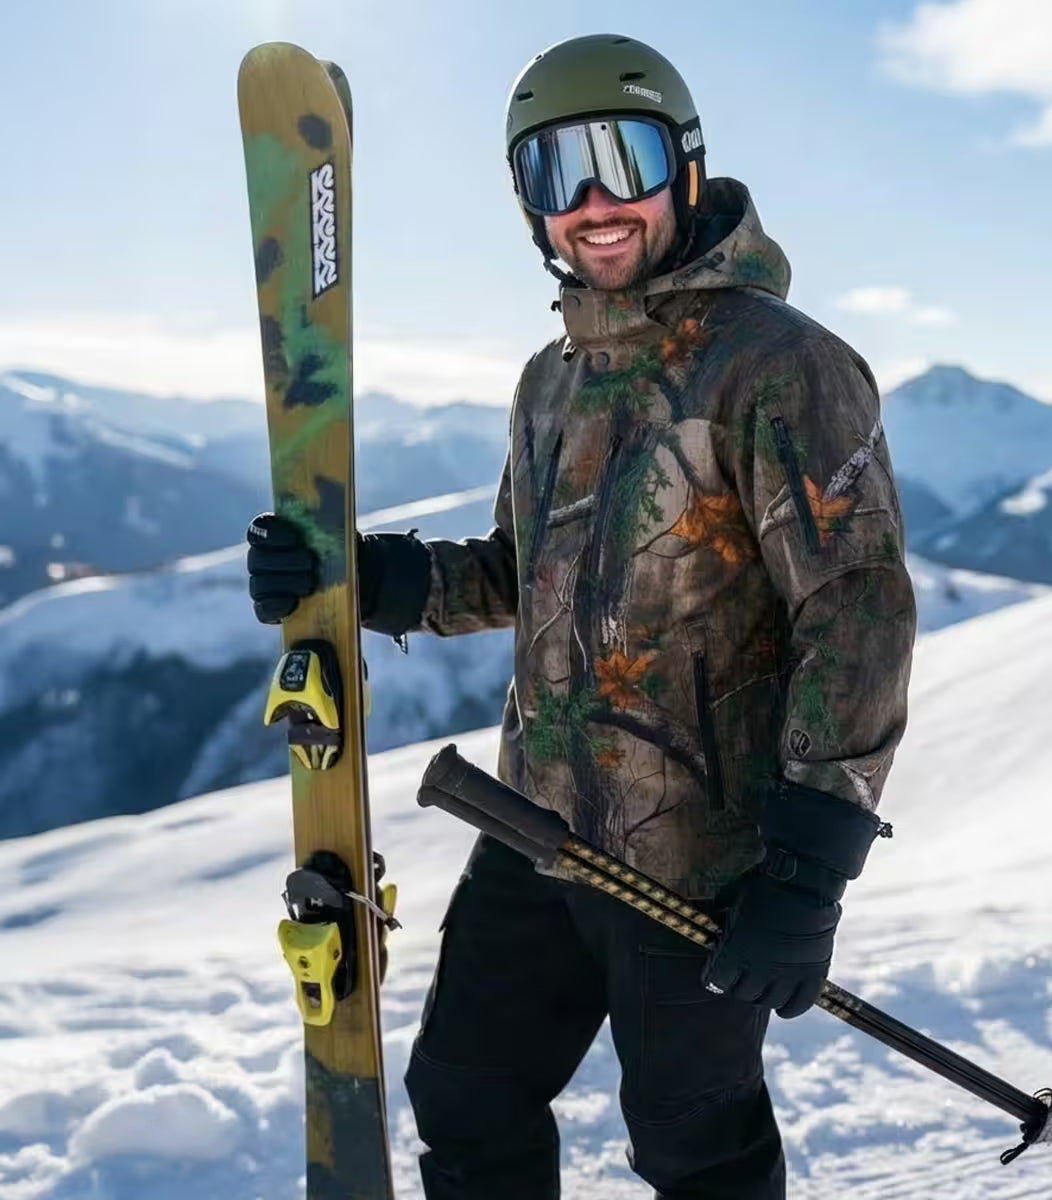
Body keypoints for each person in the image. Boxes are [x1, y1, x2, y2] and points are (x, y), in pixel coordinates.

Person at [247, 32, 916, 1200]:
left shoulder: (782, 367)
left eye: (625, 160)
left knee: (696, 1148)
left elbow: (854, 612)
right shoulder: (552, 378)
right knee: (465, 1096)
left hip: (697, 863)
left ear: (686, 168)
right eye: (559, 173)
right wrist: (368, 578)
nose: (595, 203)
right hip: (534, 828)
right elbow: (525, 571)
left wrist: (809, 868)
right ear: (530, 205)